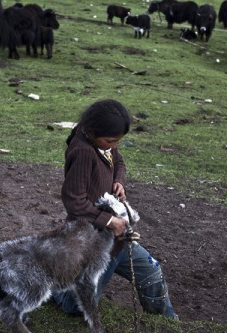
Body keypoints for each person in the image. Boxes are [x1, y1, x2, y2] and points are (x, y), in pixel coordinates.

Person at [53, 99, 178, 320]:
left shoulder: (104, 145)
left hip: (116, 237)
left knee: (151, 273)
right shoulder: (83, 152)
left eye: (117, 141)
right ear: (92, 131)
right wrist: (111, 222)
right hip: (92, 241)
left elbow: (118, 161)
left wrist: (118, 180)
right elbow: (74, 201)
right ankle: (56, 291)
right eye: (110, 140)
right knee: (77, 307)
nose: (113, 145)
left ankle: (168, 323)